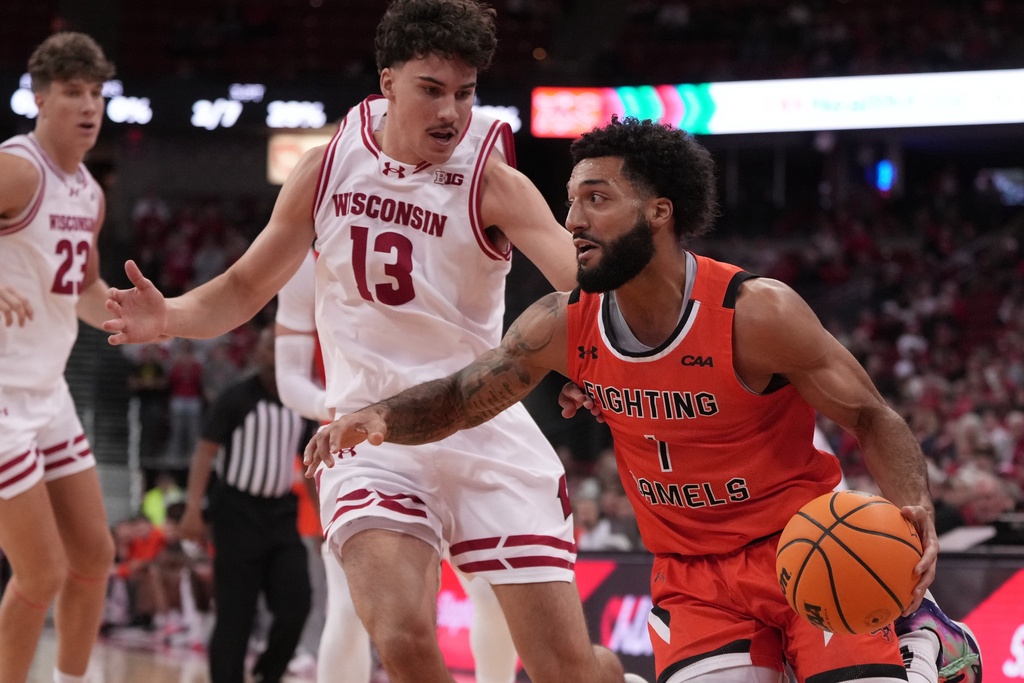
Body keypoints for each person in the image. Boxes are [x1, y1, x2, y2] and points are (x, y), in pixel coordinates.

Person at [304, 117, 983, 683]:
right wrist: (381, 416)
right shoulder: (561, 325)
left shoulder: (756, 313)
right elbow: (461, 396)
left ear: (660, 211)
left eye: (596, 199)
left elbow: (870, 414)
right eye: (571, 201)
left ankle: (924, 643)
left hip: (804, 545)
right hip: (693, 580)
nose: (572, 220)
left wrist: (913, 504)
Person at [104, 2, 642, 680]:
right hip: (370, 438)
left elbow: (586, 290)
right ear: (388, 82)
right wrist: (170, 317)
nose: (451, 111)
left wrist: (600, 362)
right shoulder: (327, 169)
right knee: (402, 634)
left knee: (566, 668)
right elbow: (244, 286)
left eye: (465, 93)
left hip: (479, 421)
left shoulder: (493, 180)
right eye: (431, 89)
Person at [275, 248, 519, 683]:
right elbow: (289, 378)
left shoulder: (448, 231)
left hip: (455, 430)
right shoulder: (306, 260)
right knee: (350, 607)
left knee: (493, 593)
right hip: (360, 444)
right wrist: (342, 410)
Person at [0, 32, 117, 683]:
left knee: (94, 554)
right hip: (2, 395)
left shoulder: (89, 193)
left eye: (97, 93)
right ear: (41, 99)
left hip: (48, 391)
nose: (89, 105)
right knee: (39, 572)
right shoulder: (18, 169)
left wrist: (135, 316)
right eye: (73, 92)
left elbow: (85, 290)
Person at [178, 327, 314, 683]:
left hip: (282, 516)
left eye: (283, 348)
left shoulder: (301, 403)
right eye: (270, 348)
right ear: (257, 354)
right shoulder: (236, 398)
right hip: (236, 514)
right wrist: (193, 509)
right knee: (235, 615)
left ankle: (270, 672)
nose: (276, 355)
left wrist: (324, 517)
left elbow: (309, 465)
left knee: (297, 603)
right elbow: (204, 453)